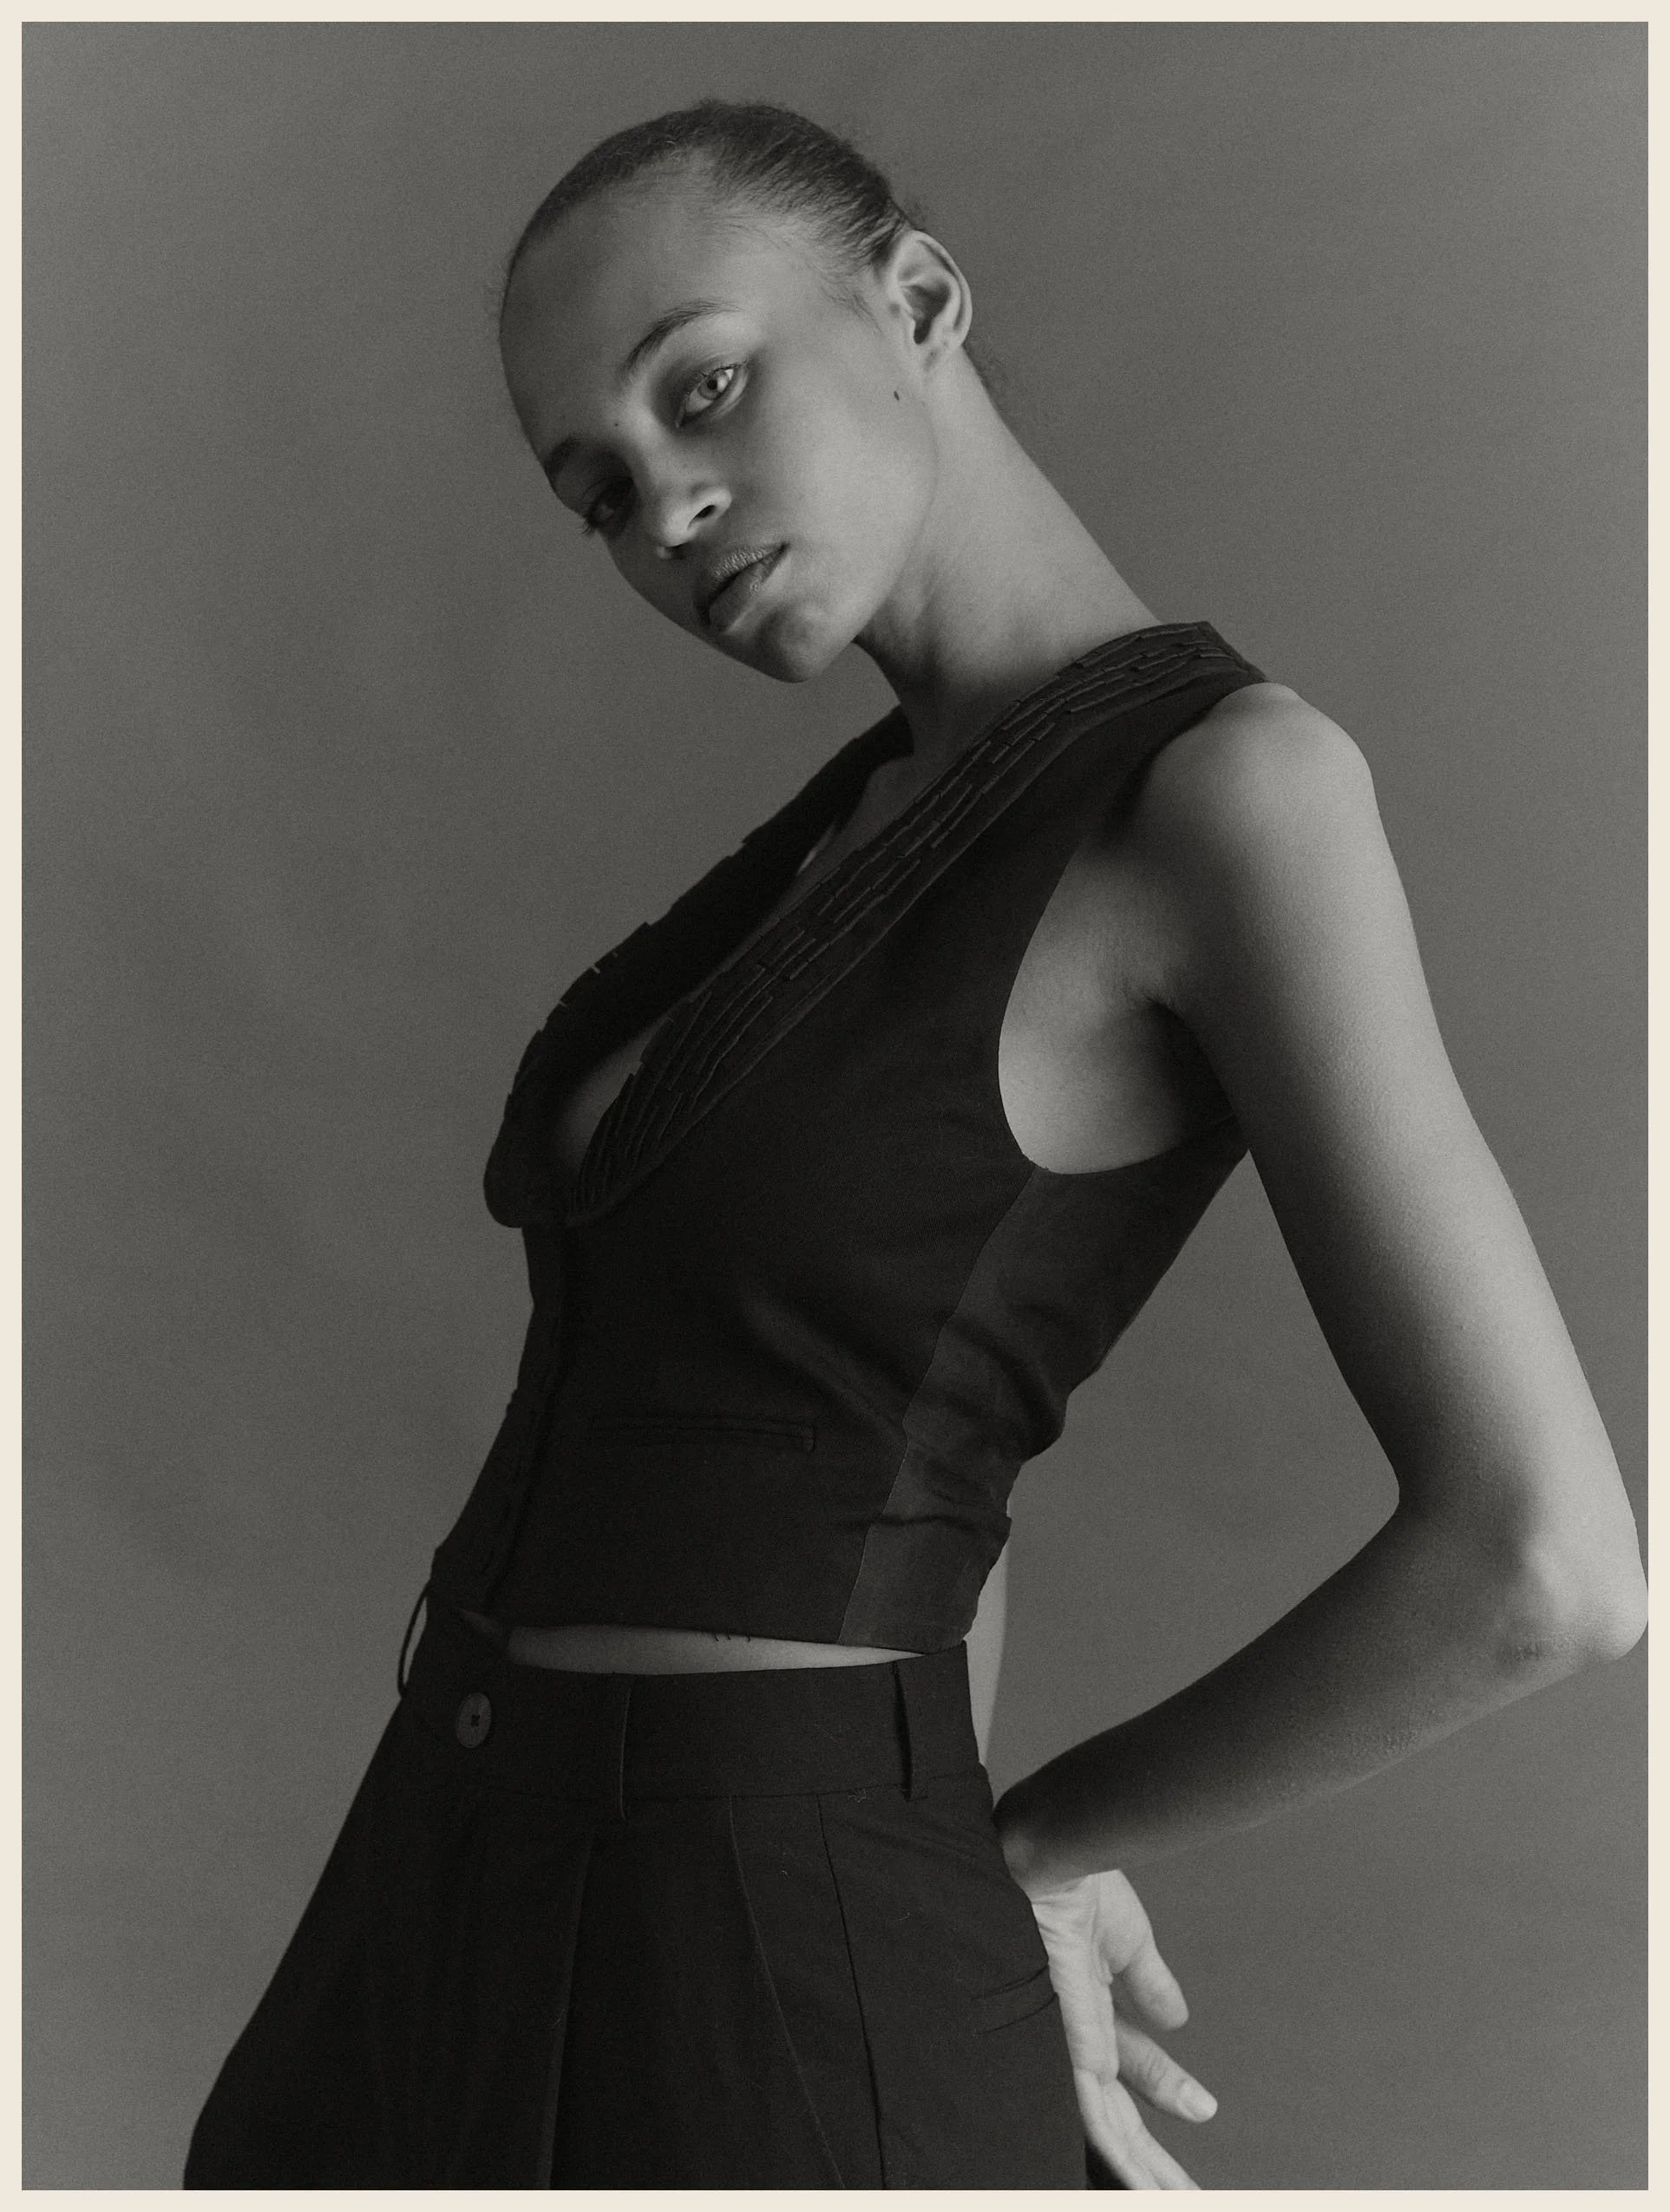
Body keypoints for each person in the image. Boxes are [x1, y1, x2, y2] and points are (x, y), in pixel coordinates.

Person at [184, 101, 1646, 2190]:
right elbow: (913, 1388)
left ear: (921, 302)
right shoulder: (862, 821)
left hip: (764, 1958)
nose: (664, 508)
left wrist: (1034, 1846)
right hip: (441, 1860)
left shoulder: (1226, 799)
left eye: (701, 388)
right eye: (595, 488)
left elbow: (1545, 1566)